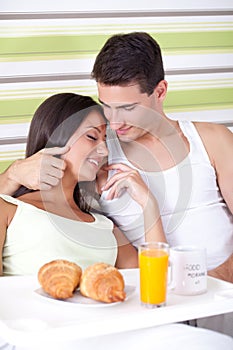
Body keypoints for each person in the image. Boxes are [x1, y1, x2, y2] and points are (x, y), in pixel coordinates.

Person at [0, 35, 232, 348]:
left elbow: (154, 278)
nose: (115, 123)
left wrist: (217, 281)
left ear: (159, 92)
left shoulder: (213, 139)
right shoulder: (96, 159)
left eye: (127, 108)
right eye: (107, 107)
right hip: (143, 309)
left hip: (216, 294)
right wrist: (14, 171)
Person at [0, 92, 149, 276]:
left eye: (105, 140)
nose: (104, 150)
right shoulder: (8, 209)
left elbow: (149, 280)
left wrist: (149, 204)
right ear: (56, 135)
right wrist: (12, 174)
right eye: (92, 137)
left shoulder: (105, 225)